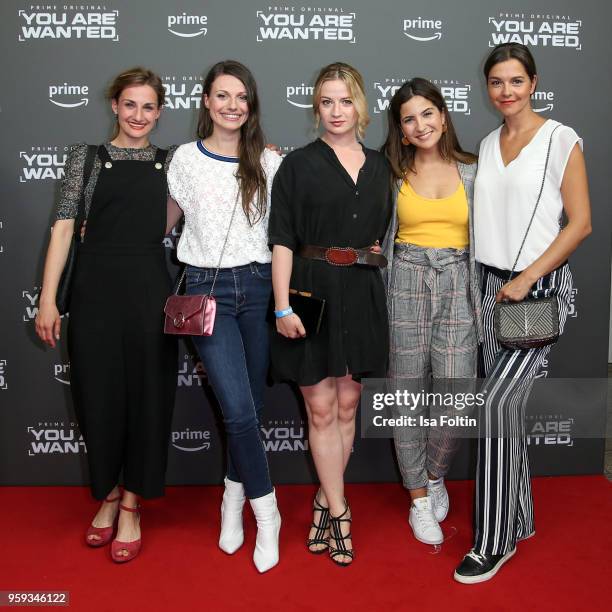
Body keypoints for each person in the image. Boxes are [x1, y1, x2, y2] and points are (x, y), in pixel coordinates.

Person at [454, 43, 591, 584]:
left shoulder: (562, 138)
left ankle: (493, 541)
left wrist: (528, 278)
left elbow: (579, 223)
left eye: (515, 81)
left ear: (533, 82)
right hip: (489, 289)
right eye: (495, 82)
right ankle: (523, 516)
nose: (505, 91)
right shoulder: (487, 144)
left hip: (534, 293)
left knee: (493, 407)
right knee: (504, 411)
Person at [35, 67, 178, 563]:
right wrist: (49, 298)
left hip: (149, 293)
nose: (138, 115)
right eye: (129, 105)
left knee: (148, 397)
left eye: (148, 107)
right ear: (114, 106)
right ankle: (109, 493)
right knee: (97, 397)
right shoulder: (86, 158)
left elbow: (201, 204)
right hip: (93, 291)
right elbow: (62, 228)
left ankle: (133, 504)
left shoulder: (172, 162)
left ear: (159, 112)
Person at [269, 62, 392, 566]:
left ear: (360, 105)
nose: (336, 111)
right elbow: (281, 239)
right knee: (320, 409)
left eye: (345, 101)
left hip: (362, 290)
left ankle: (323, 498)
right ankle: (340, 512)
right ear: (315, 107)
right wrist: (280, 305)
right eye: (326, 101)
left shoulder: (384, 165)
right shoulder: (296, 165)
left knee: (347, 407)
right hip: (310, 290)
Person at [166, 60, 283, 574]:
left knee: (251, 407)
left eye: (241, 96)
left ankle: (232, 499)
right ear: (207, 102)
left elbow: (288, 234)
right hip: (206, 291)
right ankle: (269, 511)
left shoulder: (271, 162)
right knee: (237, 409)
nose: (232, 105)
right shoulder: (184, 159)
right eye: (222, 95)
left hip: (259, 288)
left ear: (251, 104)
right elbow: (158, 225)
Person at [380, 78, 482, 545]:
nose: (420, 125)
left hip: (460, 281)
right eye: (408, 119)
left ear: (443, 116)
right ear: (400, 131)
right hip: (406, 279)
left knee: (458, 392)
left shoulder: (475, 172)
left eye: (427, 113)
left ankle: (435, 472)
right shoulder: (390, 174)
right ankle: (419, 497)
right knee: (406, 394)